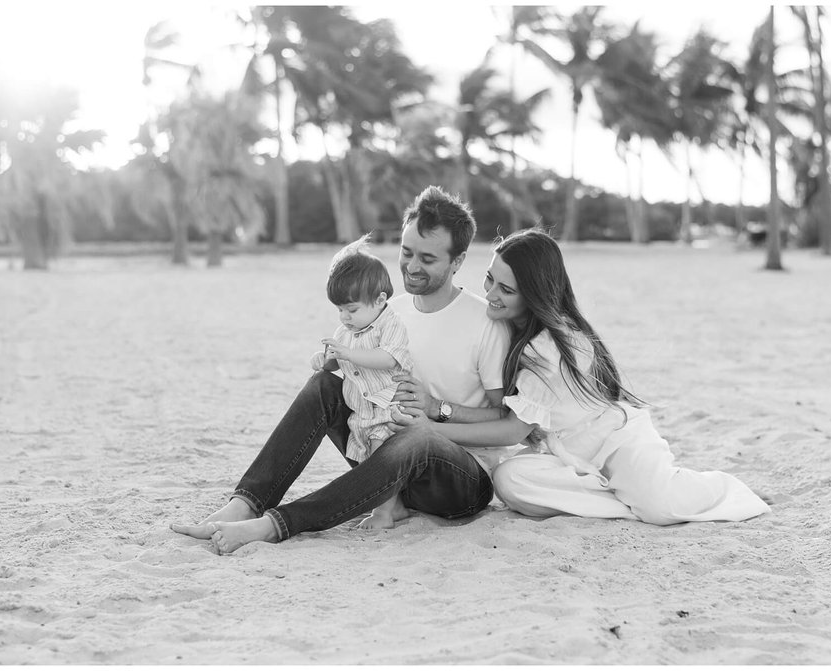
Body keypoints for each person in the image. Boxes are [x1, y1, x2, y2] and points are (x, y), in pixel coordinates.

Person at [170, 186, 512, 554]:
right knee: (324, 386)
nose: (412, 266)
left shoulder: (484, 322)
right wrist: (335, 361)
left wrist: (438, 414)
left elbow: (507, 423)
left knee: (418, 438)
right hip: (385, 464)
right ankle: (245, 505)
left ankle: (275, 525)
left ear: (458, 260)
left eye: (427, 259)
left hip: (459, 481)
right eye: (406, 252)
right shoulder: (386, 312)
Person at [392, 228, 771, 525]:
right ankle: (622, 500)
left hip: (616, 441)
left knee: (660, 506)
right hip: (564, 454)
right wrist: (437, 407)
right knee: (510, 480)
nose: (490, 293)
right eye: (489, 279)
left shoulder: (553, 344)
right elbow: (507, 418)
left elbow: (511, 431)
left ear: (534, 294)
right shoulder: (506, 329)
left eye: (506, 289)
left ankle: (705, 491)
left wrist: (431, 429)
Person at [313, 235, 414, 529]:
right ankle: (391, 507)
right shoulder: (346, 332)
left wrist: (350, 353)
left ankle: (385, 512)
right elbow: (338, 360)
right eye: (340, 310)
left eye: (352, 310)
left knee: (380, 457)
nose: (344, 317)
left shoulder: (390, 323)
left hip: (388, 408)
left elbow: (388, 358)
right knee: (366, 460)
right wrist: (326, 360)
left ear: (380, 300)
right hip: (362, 413)